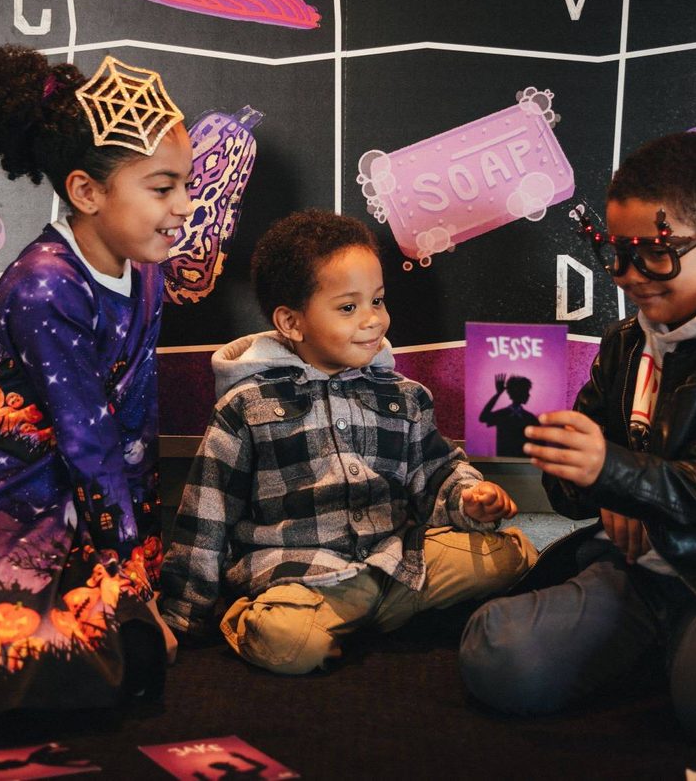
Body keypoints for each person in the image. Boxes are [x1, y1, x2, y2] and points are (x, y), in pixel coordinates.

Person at [459, 132, 696, 749]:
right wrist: (588, 474)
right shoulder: (627, 342)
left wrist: (615, 473)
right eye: (615, 252)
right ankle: (670, 654)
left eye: (655, 253)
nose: (630, 276)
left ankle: (687, 656)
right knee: (499, 656)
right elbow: (571, 493)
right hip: (640, 574)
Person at [0, 44, 190, 727]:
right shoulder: (43, 286)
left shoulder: (148, 272)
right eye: (162, 187)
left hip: (69, 487)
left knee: (119, 638)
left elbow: (135, 427)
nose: (184, 205)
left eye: (185, 182)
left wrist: (137, 571)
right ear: (87, 192)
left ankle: (121, 627)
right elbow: (90, 442)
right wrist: (129, 592)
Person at [161, 209, 537, 673]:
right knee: (288, 642)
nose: (372, 321)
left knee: (513, 554)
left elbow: (435, 473)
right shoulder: (247, 406)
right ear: (292, 322)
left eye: (377, 301)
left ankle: (360, 618)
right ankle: (303, 621)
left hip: (396, 563)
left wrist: (470, 498)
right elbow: (206, 513)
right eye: (348, 307)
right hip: (305, 577)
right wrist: (183, 616)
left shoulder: (404, 396)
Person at [478, 373, 538, 457]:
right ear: (519, 392)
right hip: (504, 463)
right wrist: (498, 393)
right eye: (526, 391)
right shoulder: (503, 415)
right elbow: (483, 417)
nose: (528, 395)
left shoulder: (530, 418)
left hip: (524, 464)